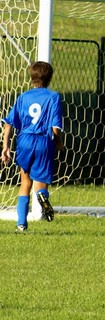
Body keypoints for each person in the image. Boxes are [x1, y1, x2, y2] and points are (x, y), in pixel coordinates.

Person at [1, 61, 64, 232]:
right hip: (43, 141)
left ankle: (21, 224)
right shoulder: (53, 97)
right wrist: (58, 142)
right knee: (40, 184)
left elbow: (8, 123)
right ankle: (42, 196)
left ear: (31, 78)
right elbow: (55, 125)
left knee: (25, 182)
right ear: (49, 78)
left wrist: (5, 147)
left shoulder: (23, 97)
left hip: (25, 141)